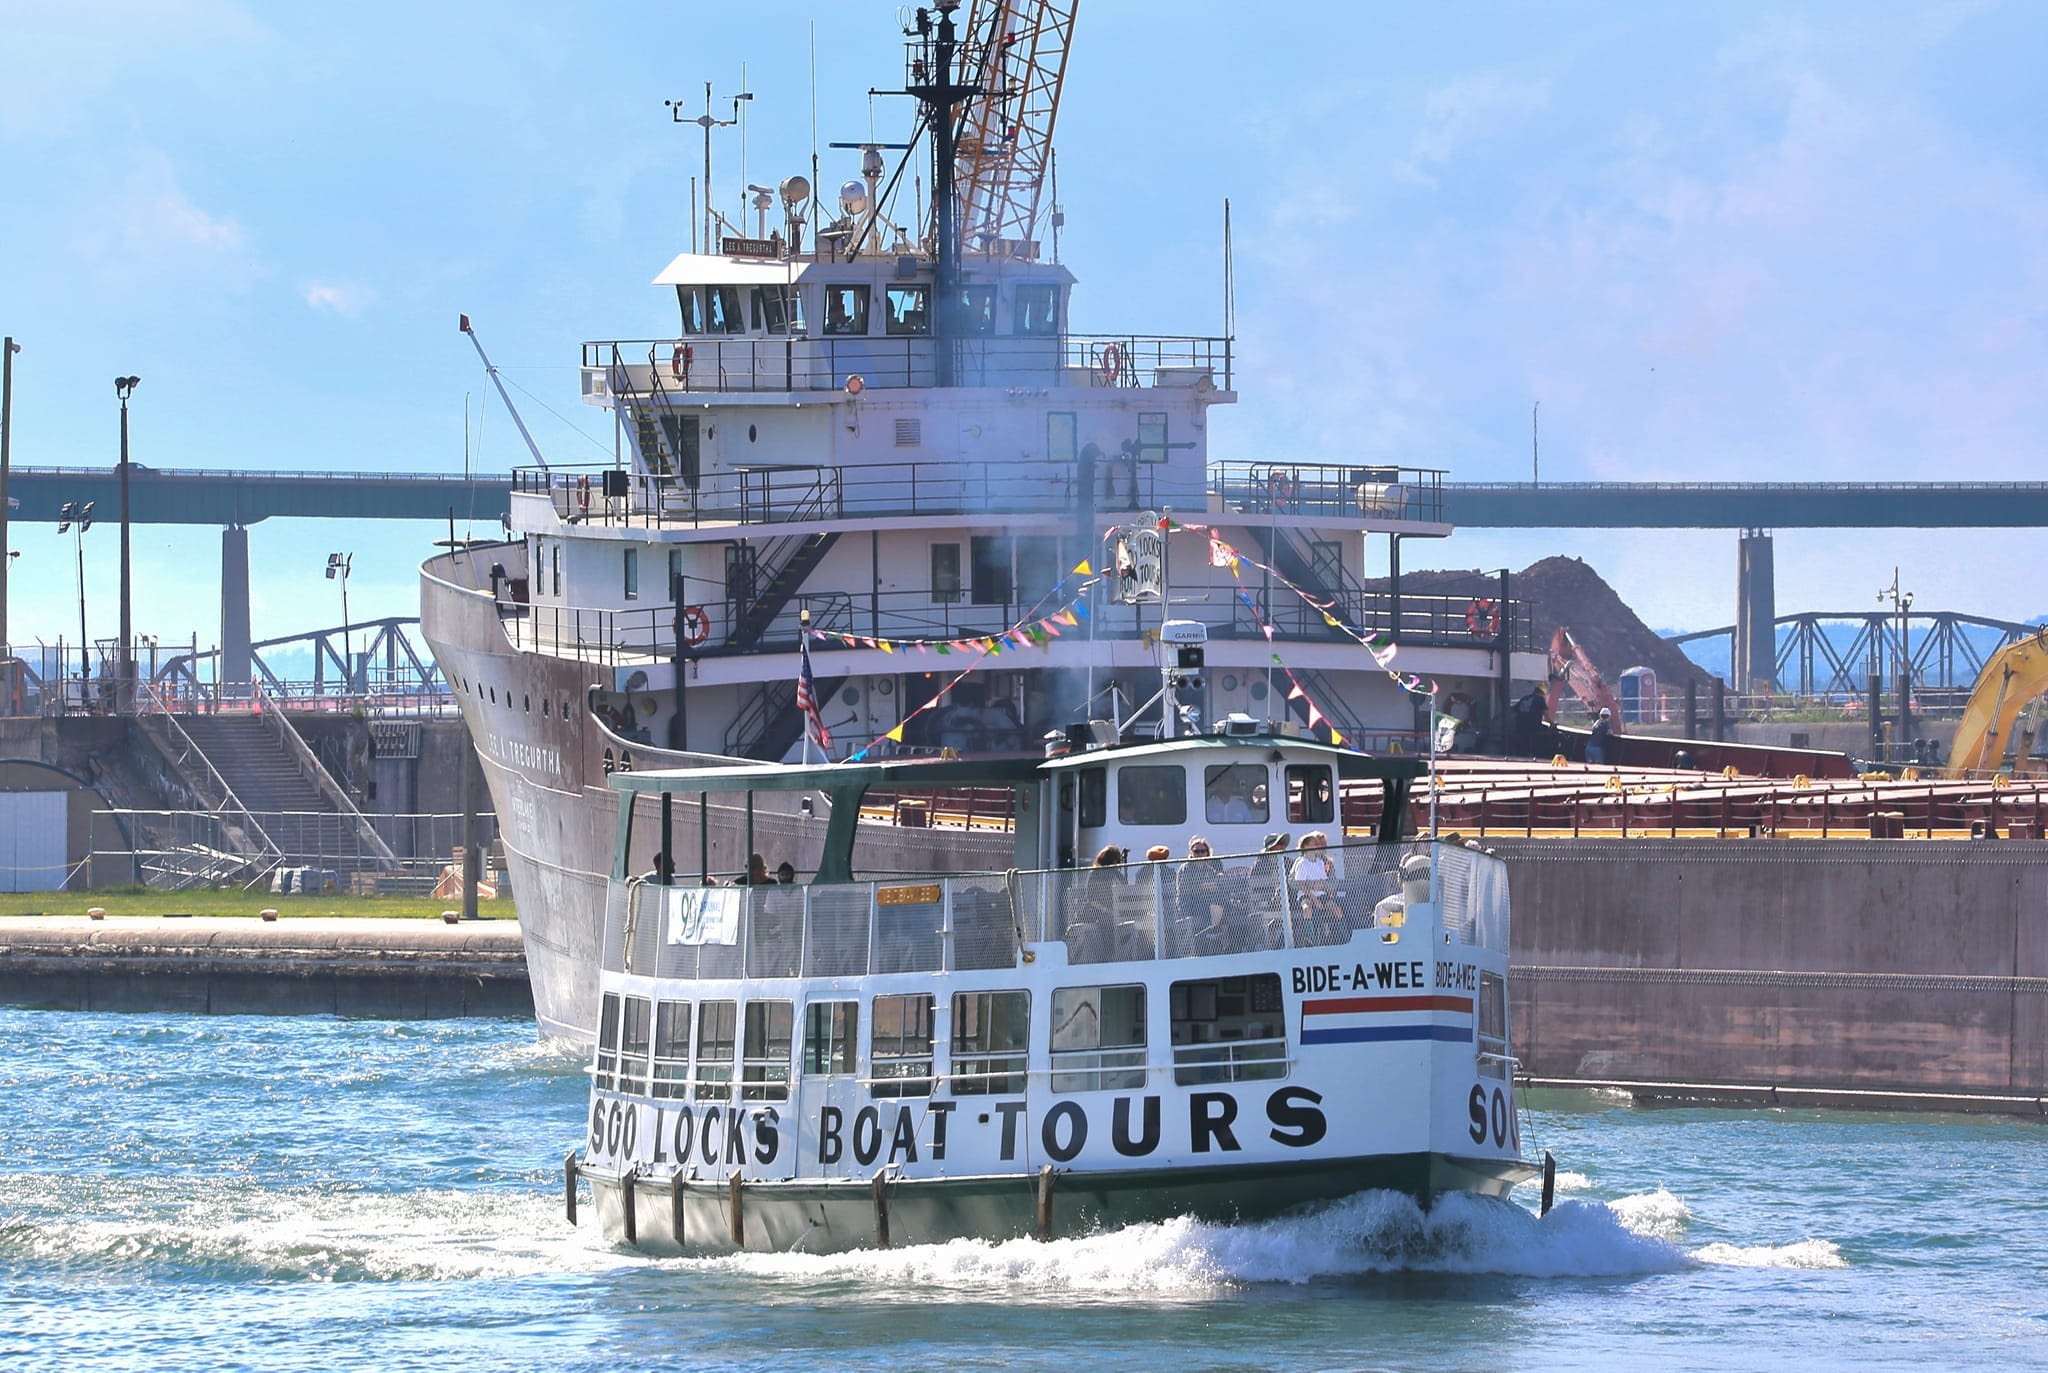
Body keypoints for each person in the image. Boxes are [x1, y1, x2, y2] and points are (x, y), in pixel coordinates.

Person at [1291, 830, 1343, 944]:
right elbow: (1292, 881)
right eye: (1319, 844)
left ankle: (1341, 939)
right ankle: (1313, 941)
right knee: (1307, 908)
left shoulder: (1325, 862)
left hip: (1324, 895)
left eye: (1324, 844)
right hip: (1307, 895)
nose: (1323, 847)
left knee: (1341, 907)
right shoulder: (1300, 862)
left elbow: (1333, 882)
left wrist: (1326, 887)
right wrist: (1313, 885)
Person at [1514, 683, 1548, 756]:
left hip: (1520, 725)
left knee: (1523, 742)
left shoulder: (1524, 698)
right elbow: (1545, 713)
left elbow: (1515, 709)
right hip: (1533, 725)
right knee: (1535, 740)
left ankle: (1523, 754)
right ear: (1542, 692)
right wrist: (1552, 723)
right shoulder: (1540, 699)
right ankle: (1534, 754)